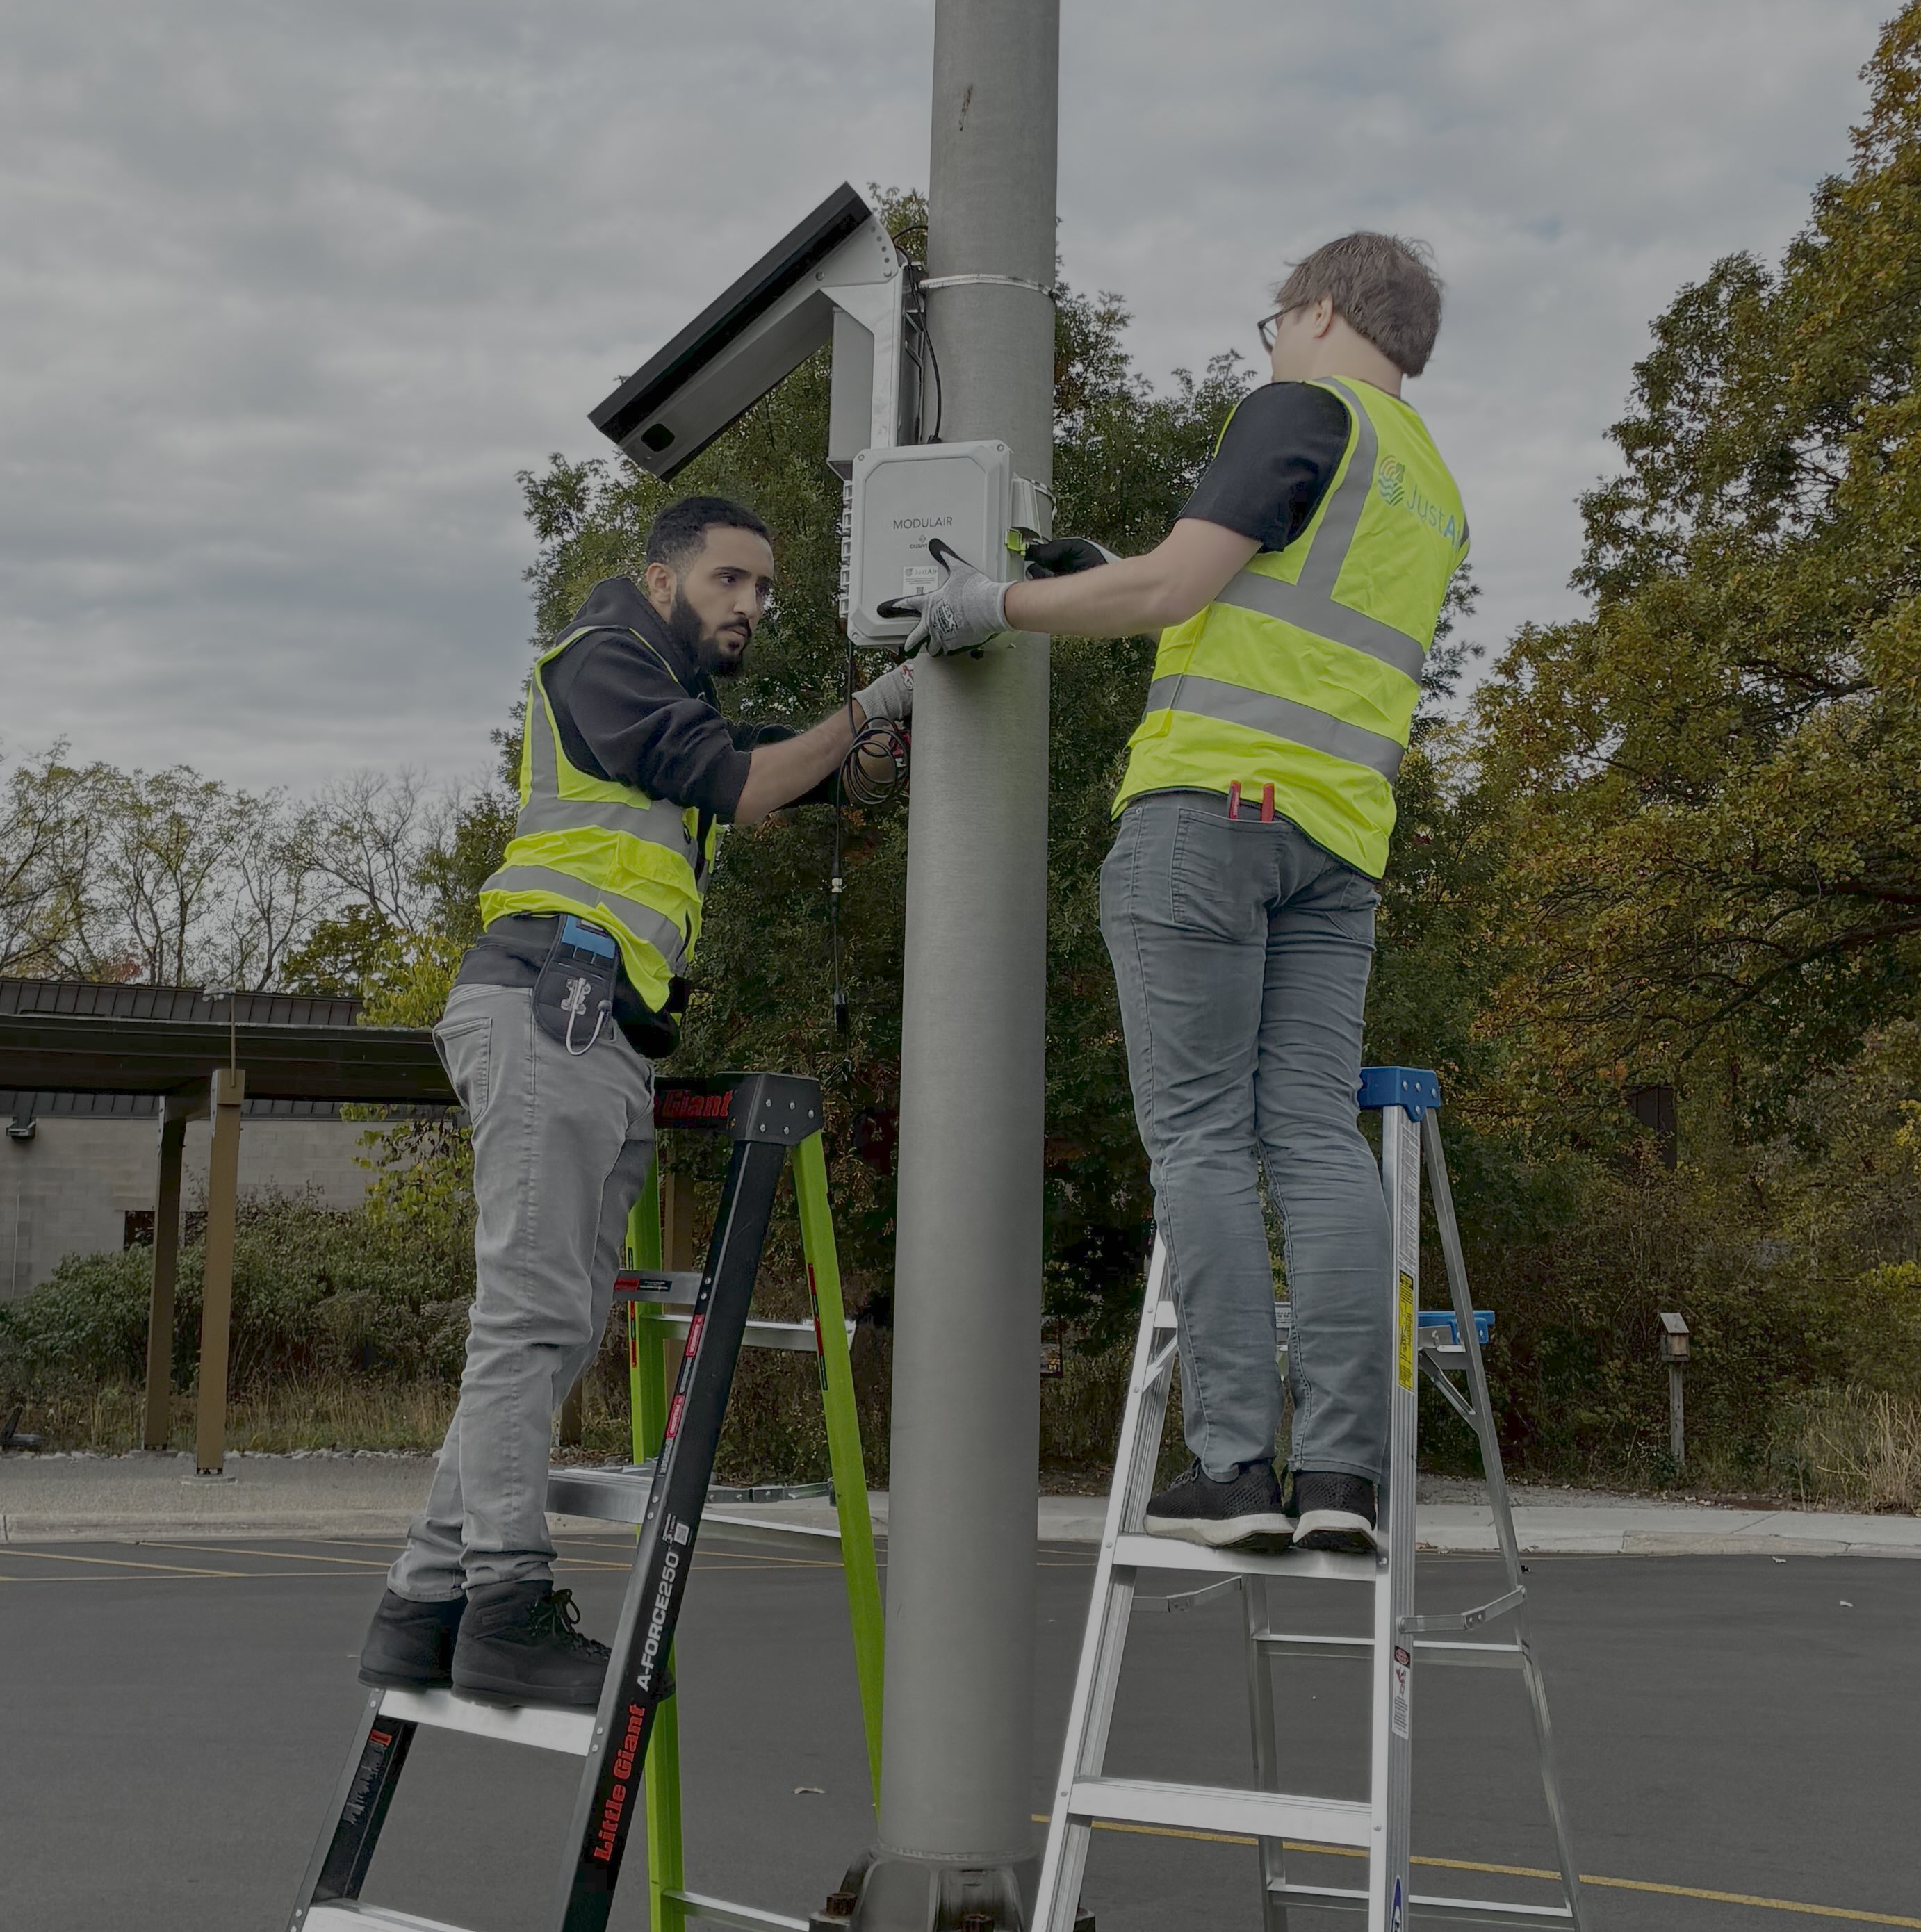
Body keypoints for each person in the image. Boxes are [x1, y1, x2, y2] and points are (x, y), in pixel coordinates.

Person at [897, 231, 1463, 1557]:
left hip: (1208, 818)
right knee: (1313, 1138)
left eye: (1273, 323)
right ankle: (1341, 1482)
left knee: (1202, 1139)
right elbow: (1265, 608)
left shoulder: (1301, 410)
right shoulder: (1431, 486)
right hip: (1338, 842)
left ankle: (1231, 1468)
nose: (1269, 347)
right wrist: (1110, 570)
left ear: (1316, 310)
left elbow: (1170, 589)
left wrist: (987, 603)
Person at [362, 496, 913, 1705]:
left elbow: (779, 767)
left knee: (555, 1326)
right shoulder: (603, 659)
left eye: (763, 590)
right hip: (547, 1001)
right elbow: (742, 783)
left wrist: (863, 753)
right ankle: (504, 1606)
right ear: (660, 580)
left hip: (601, 1025)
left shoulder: (670, 700)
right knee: (529, 1320)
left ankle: (421, 1602)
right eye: (729, 580)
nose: (750, 606)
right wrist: (878, 700)